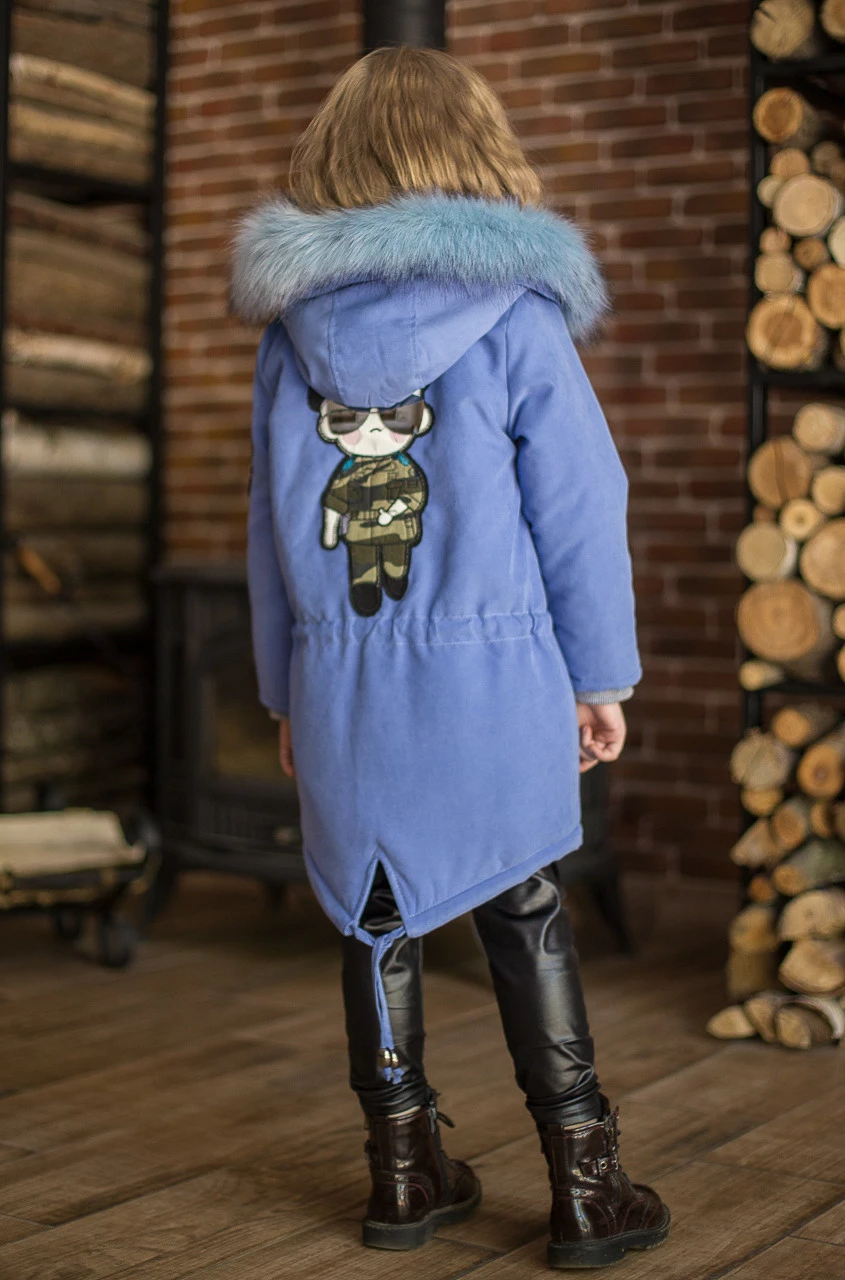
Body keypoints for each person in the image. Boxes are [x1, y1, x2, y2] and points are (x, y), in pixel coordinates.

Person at [232, 45, 670, 1270]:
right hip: (493, 672)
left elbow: (266, 531)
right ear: (476, 154)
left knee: (372, 909)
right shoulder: (517, 319)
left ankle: (404, 1171)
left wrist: (283, 689)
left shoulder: (288, 339)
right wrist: (599, 675)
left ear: (335, 158)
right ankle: (586, 1182)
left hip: (343, 678)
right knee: (522, 900)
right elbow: (581, 504)